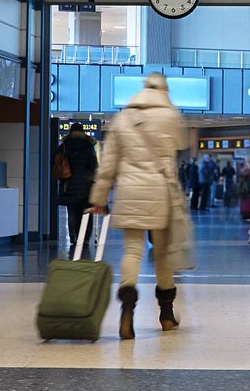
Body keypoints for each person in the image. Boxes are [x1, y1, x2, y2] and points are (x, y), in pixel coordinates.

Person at [89, 73, 188, 340]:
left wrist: (99, 198)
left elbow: (108, 165)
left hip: (129, 192)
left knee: (132, 251)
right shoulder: (170, 116)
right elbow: (181, 145)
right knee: (163, 254)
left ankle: (127, 311)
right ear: (164, 90)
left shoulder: (122, 118)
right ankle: (166, 315)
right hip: (160, 193)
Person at [57, 122, 99, 258]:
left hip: (69, 184)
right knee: (87, 213)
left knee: (72, 212)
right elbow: (94, 166)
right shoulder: (89, 147)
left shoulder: (64, 146)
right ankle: (85, 239)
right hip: (86, 185)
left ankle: (74, 238)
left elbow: (55, 162)